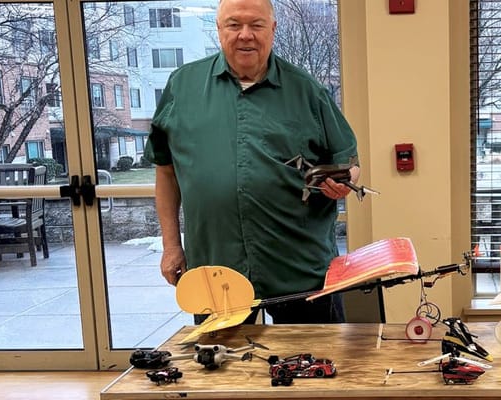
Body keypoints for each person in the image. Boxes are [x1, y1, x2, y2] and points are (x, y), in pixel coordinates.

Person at [144, 0, 359, 324]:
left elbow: (350, 162)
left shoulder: (307, 91)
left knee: (315, 367)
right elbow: (166, 171)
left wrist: (344, 181)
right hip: (217, 270)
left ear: (272, 30)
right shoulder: (182, 87)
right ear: (218, 30)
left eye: (256, 25)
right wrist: (171, 245)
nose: (245, 35)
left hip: (300, 268)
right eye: (234, 25)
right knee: (224, 371)